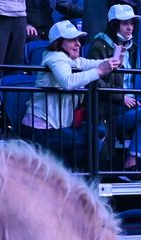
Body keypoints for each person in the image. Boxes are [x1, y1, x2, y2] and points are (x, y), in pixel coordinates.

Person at [21, 21, 120, 169]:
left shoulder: (72, 60)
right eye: (72, 40)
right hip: (40, 132)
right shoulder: (55, 58)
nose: (78, 44)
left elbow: (93, 63)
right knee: (94, 137)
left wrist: (115, 60)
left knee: (96, 134)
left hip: (57, 128)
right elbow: (67, 82)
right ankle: (85, 179)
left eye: (78, 40)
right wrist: (99, 72)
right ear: (58, 43)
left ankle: (72, 177)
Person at [88, 5, 141, 175]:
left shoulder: (133, 48)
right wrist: (121, 97)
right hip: (110, 108)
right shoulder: (99, 45)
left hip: (133, 105)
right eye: (125, 23)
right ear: (114, 25)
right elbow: (95, 80)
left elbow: (136, 79)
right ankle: (133, 162)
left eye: (132, 23)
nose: (130, 27)